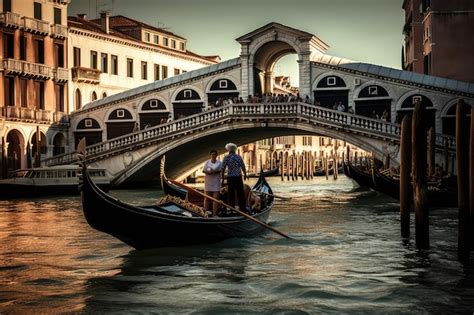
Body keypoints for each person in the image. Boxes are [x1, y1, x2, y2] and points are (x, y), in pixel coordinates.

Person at [221, 143, 248, 213]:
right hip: (238, 177)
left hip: (230, 178)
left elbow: (223, 168)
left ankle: (231, 209)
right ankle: (243, 209)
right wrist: (245, 175)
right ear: (235, 150)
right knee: (240, 193)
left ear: (228, 150)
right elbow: (243, 166)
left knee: (231, 194)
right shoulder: (238, 157)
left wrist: (222, 178)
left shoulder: (226, 157)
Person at [202, 150, 223, 216]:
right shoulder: (207, 162)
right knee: (207, 198)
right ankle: (205, 213)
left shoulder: (219, 163)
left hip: (216, 182)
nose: (213, 156)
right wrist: (208, 172)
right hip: (208, 182)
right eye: (212, 154)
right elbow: (203, 171)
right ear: (210, 155)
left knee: (215, 199)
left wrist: (215, 172)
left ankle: (214, 214)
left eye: (214, 154)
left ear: (216, 155)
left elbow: (221, 170)